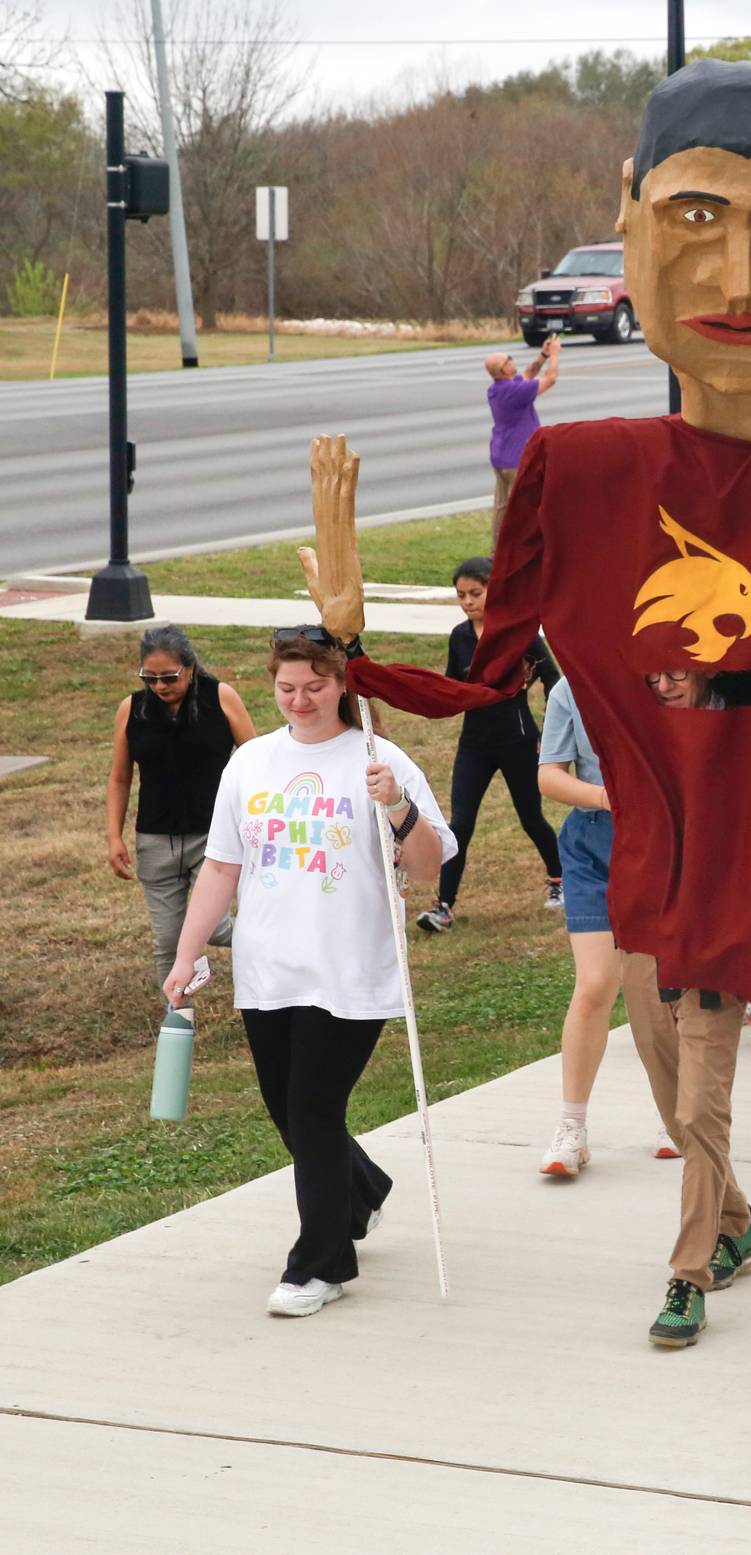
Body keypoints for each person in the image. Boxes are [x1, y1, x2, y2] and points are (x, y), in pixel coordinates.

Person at [337, 60, 751, 1351]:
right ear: (635, 217)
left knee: (703, 1032)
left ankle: (691, 1258)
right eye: (699, 219)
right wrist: (351, 660)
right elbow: (491, 674)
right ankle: (737, 1210)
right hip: (639, 819)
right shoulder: (586, 467)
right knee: (657, 1029)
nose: (736, 280)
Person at [161, 631, 454, 1317]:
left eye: (314, 686)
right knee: (290, 1113)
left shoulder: (381, 760)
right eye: (286, 687)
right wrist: (186, 950)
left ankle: (319, 1262)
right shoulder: (252, 763)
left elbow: (429, 865)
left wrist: (398, 807)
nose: (299, 700)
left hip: (349, 969)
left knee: (313, 1110)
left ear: (343, 684)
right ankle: (364, 1191)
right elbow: (223, 867)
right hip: (270, 969)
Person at [534, 675, 687, 1175]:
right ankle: (572, 1128)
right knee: (597, 982)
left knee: (663, 987)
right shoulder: (569, 689)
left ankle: (678, 1112)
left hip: (664, 840)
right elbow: (550, 775)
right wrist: (605, 796)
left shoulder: (671, 677)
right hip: (593, 840)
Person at [414, 556, 562, 934]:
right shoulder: (460, 637)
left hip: (518, 742)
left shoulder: (522, 634)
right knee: (460, 824)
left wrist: (550, 733)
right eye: (461, 595)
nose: (467, 601)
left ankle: (560, 882)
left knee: (532, 819)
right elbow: (451, 686)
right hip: (475, 745)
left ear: (493, 591)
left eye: (475, 593)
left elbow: (554, 680)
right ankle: (443, 907)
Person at [105, 625, 256, 987]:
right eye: (150, 678)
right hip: (155, 840)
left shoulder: (220, 697)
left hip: (214, 836)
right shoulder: (132, 709)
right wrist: (114, 836)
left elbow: (255, 762)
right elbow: (119, 777)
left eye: (169, 677)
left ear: (190, 668)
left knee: (216, 928)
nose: (159, 686)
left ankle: (281, 947)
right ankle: (177, 1026)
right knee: (168, 943)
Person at [485, 339, 559, 544]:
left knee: (502, 507)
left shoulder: (497, 389)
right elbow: (550, 379)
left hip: (501, 456)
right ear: (504, 368)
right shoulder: (515, 393)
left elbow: (528, 375)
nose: (513, 361)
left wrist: (543, 355)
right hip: (517, 459)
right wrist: (554, 355)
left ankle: (497, 549)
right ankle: (521, 546)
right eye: (509, 360)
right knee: (523, 507)